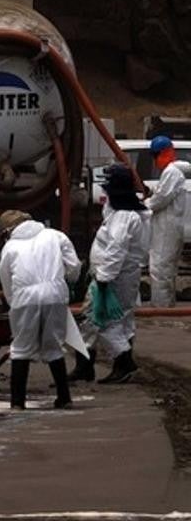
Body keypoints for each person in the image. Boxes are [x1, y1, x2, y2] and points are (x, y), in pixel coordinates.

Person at [0, 210, 81, 409]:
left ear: (8, 230)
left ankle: (17, 402)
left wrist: (13, 302)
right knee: (53, 345)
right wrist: (65, 282)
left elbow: (5, 278)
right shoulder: (56, 236)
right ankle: (64, 397)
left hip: (24, 298)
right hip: (55, 294)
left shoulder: (10, 247)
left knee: (21, 348)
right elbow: (74, 266)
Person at [78, 165, 150, 383]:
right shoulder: (129, 214)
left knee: (101, 319)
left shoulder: (123, 217)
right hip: (123, 276)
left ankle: (124, 362)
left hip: (113, 278)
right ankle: (88, 366)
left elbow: (116, 250)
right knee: (120, 320)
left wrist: (103, 279)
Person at [144, 136, 191, 307]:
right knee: (167, 269)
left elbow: (161, 199)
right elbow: (162, 192)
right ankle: (167, 305)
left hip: (167, 226)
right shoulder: (171, 172)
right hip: (169, 225)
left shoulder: (171, 172)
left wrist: (144, 205)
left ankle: (161, 307)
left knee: (159, 268)